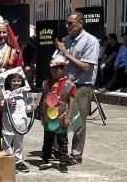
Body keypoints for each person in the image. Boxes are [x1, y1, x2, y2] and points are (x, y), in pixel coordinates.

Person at [54, 12, 100, 164]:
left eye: (70, 24)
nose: (67, 26)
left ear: (80, 23)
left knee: (77, 121)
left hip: (81, 85)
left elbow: (86, 66)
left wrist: (66, 53)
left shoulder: (90, 41)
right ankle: (60, 150)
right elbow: (59, 60)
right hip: (65, 84)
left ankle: (76, 154)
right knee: (59, 117)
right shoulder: (66, 40)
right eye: (66, 23)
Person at [39, 56, 77, 173]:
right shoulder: (46, 83)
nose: (54, 72)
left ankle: (63, 161)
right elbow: (44, 99)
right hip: (48, 117)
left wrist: (68, 117)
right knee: (47, 139)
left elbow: (71, 101)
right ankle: (45, 159)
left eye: (57, 69)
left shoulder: (69, 84)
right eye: (52, 69)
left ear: (63, 69)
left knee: (62, 140)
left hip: (61, 116)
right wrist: (41, 115)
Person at [0, 71, 34, 173]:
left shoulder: (24, 93)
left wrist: (32, 107)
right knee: (7, 142)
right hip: (9, 123)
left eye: (18, 81)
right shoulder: (5, 93)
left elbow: (26, 108)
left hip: (21, 122)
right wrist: (8, 104)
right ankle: (7, 161)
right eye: (14, 81)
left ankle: (18, 162)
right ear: (9, 82)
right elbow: (2, 108)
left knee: (18, 143)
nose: (16, 83)